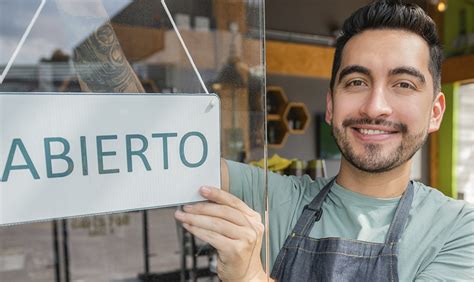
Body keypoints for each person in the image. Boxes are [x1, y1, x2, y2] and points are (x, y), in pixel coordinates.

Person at [174, 0, 474, 281]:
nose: (374, 107)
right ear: (331, 106)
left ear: (435, 113)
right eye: (357, 82)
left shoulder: (457, 230)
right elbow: (156, 157)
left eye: (403, 84)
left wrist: (251, 277)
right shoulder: (271, 199)